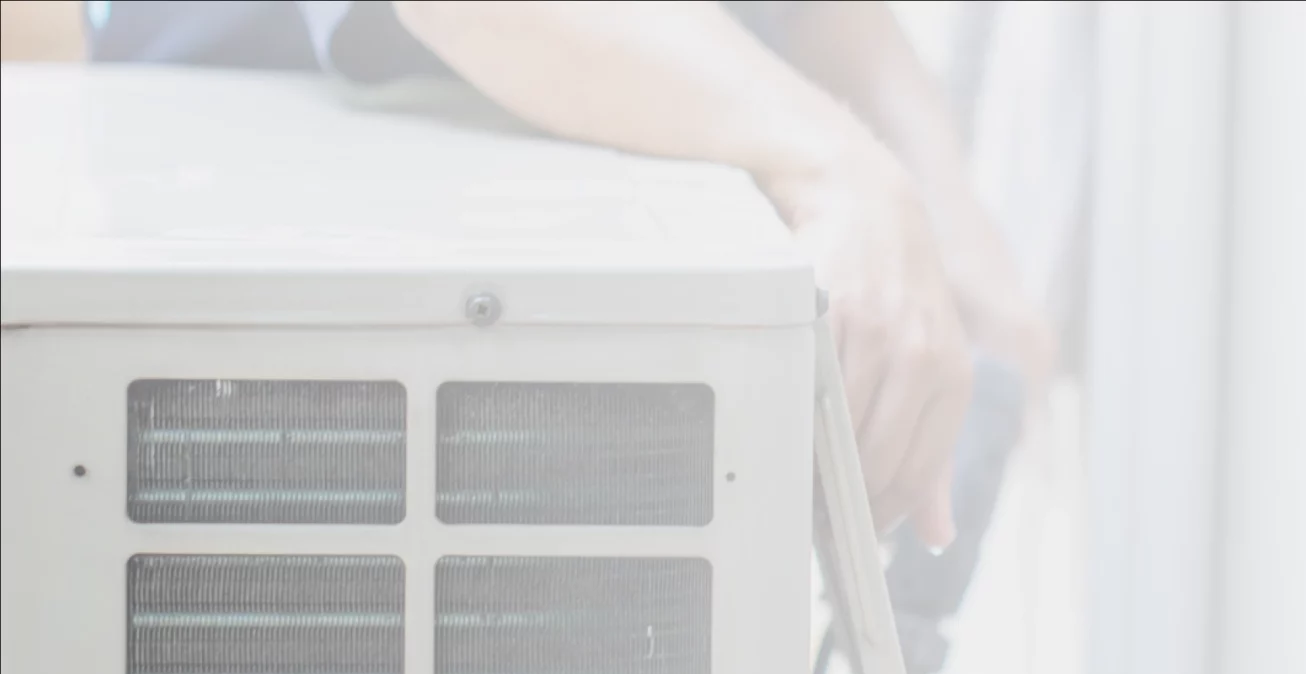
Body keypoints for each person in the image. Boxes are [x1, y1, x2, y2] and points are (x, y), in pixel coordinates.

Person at [38, 0, 1055, 548]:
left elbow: (821, 17)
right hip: (274, 412)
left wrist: (952, 234)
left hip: (623, 448)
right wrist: (844, 173)